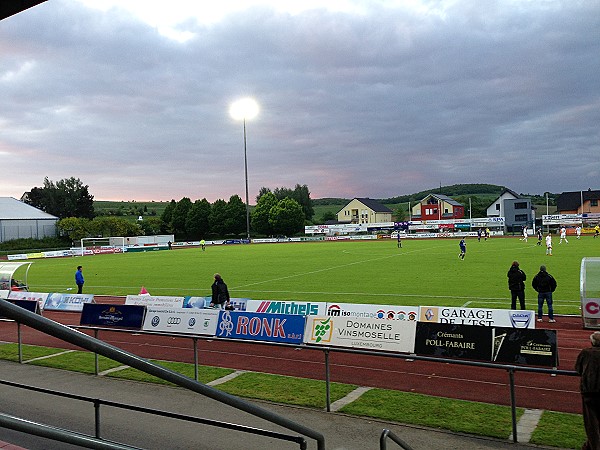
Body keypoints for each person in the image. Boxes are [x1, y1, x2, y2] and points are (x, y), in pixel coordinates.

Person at [576, 331, 600, 450]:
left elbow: (578, 369)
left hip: (589, 393)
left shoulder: (586, 353)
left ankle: (593, 446)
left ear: (592, 342)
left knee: (591, 424)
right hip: (591, 392)